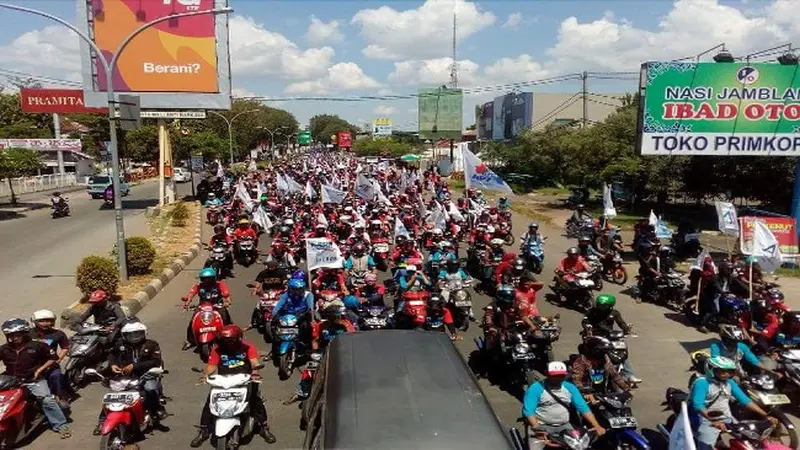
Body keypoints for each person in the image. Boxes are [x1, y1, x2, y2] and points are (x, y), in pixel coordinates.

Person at [191, 325, 276, 447]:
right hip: (223, 381)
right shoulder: (217, 350)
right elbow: (212, 366)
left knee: (256, 401)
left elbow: (254, 363)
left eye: (230, 340)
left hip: (245, 380)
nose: (227, 342)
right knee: (210, 403)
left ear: (237, 338)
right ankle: (204, 430)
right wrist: (205, 375)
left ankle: (264, 427)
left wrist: (255, 373)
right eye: (225, 340)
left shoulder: (248, 347)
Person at [0, 318, 71, 438]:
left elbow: (52, 358)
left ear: (24, 333)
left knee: (46, 400)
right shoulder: (4, 348)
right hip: (10, 380)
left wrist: (40, 369)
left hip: (32, 380)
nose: (14, 337)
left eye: (17, 334)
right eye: (10, 335)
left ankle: (61, 425)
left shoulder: (38, 345)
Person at [689, 356, 777, 450]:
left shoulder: (729, 382)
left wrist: (765, 415)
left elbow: (744, 400)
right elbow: (698, 404)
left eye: (730, 371)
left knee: (749, 438)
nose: (727, 374)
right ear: (711, 370)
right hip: (705, 419)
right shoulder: (702, 383)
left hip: (726, 417)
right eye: (722, 371)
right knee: (705, 448)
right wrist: (714, 421)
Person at [93, 322, 166, 435]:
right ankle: (102, 421)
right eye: (130, 335)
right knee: (112, 397)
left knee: (150, 389)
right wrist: (112, 364)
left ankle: (157, 410)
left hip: (146, 374)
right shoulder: (120, 345)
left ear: (144, 333)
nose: (134, 337)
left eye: (137, 334)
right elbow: (112, 354)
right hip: (125, 375)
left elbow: (156, 361)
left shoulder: (152, 344)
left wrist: (134, 366)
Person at [522, 361, 605, 449]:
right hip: (542, 426)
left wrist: (596, 425)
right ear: (547, 374)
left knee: (581, 446)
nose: (558, 378)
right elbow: (529, 411)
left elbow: (583, 407)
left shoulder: (570, 387)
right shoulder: (536, 388)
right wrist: (537, 430)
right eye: (555, 375)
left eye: (561, 375)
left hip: (564, 426)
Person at [582, 294, 641, 384]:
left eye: (603, 306)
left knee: (620, 352)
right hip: (594, 336)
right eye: (599, 305)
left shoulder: (614, 313)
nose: (601, 307)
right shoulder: (592, 312)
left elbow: (621, 323)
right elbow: (585, 321)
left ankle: (629, 375)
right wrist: (587, 328)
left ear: (610, 306)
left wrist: (626, 330)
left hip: (610, 336)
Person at [181, 268, 232, 350]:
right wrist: (187, 302)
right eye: (204, 279)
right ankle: (190, 341)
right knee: (193, 322)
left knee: (225, 319)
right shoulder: (198, 286)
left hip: (217, 306)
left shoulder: (219, 285)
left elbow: (226, 293)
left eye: (209, 278)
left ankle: (229, 336)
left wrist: (227, 301)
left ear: (213, 278)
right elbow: (191, 294)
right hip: (202, 307)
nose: (207, 281)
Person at [30, 310, 72, 409]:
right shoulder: (28, 333)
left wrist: (59, 359)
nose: (45, 323)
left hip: (50, 364)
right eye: (42, 321)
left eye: (48, 321)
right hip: (32, 364)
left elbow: (65, 347)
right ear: (34, 322)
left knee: (56, 376)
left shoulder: (58, 334)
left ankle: (59, 397)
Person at [709, 324, 778, 378]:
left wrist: (768, 370)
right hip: (721, 371)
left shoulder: (741, 346)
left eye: (736, 341)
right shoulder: (715, 347)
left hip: (736, 368)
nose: (735, 344)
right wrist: (732, 375)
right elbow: (718, 364)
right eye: (732, 341)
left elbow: (753, 360)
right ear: (725, 339)